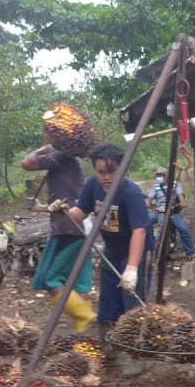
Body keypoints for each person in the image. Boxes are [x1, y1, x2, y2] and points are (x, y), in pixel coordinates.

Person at [63, 143, 153, 349]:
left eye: (111, 171)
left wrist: (131, 269)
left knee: (132, 303)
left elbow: (140, 230)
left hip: (134, 252)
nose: (106, 177)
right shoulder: (93, 185)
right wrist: (64, 210)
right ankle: (109, 346)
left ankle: (136, 351)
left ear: (122, 168)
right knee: (108, 300)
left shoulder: (131, 193)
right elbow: (81, 211)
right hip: (111, 250)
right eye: (101, 172)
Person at [22, 124, 95, 333]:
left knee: (48, 278)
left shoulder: (59, 157)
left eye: (49, 133)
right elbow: (64, 201)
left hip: (68, 228)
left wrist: (43, 149)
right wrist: (42, 208)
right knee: (80, 282)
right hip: (82, 226)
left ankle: (84, 316)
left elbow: (26, 163)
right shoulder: (69, 160)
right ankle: (83, 333)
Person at [148, 166, 195, 260]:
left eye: (162, 175)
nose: (159, 177)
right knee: (145, 223)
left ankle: (190, 253)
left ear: (167, 176)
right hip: (159, 210)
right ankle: (152, 247)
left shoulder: (175, 184)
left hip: (172, 211)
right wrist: (154, 207)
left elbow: (182, 201)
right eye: (158, 175)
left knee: (184, 229)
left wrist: (177, 206)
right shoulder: (155, 186)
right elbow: (148, 201)